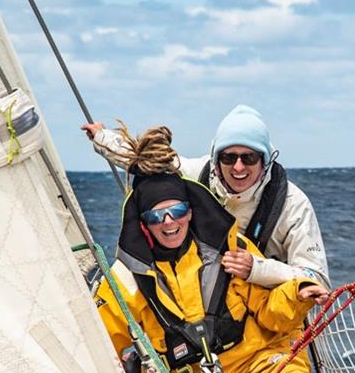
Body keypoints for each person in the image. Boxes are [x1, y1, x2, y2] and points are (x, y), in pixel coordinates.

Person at [94, 124, 354, 373]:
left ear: (190, 210)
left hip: (255, 366)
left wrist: (297, 294)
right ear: (142, 225)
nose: (170, 223)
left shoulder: (228, 249)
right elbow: (99, 347)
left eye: (178, 211)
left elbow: (268, 312)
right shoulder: (123, 282)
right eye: (156, 216)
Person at [82, 104, 329, 289]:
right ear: (215, 157)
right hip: (202, 296)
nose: (239, 167)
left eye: (249, 157)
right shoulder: (196, 174)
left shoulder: (292, 205)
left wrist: (256, 269)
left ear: (266, 159)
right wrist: (102, 137)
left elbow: (315, 277)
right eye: (229, 157)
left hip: (260, 303)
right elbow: (145, 160)